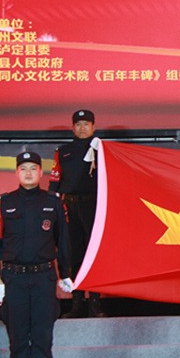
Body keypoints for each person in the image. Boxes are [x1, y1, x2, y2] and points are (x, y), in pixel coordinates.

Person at [0, 152, 74, 358]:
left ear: (41, 173)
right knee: (17, 332)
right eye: (23, 169)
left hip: (43, 277)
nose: (28, 173)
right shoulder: (3, 203)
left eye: (33, 169)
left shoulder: (53, 202)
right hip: (13, 278)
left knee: (42, 332)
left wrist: (66, 275)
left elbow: (63, 241)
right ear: (17, 173)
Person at [49, 109, 105, 318]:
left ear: (93, 127)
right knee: (74, 253)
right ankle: (76, 304)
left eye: (86, 124)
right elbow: (55, 180)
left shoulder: (102, 149)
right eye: (78, 124)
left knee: (93, 254)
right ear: (73, 127)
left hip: (94, 207)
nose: (82, 128)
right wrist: (51, 206)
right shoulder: (63, 151)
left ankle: (95, 304)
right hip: (70, 207)